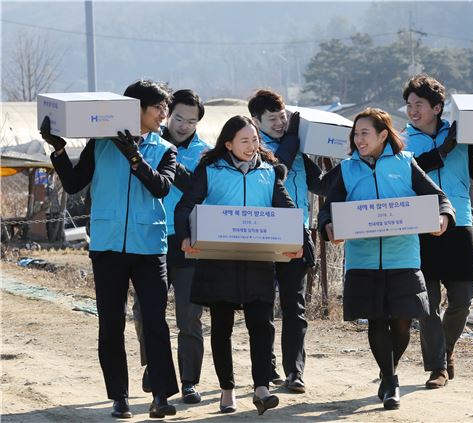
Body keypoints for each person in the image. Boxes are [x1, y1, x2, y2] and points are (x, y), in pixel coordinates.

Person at [41, 79, 179, 418]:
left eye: (165, 108)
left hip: (149, 247)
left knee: (155, 322)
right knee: (111, 323)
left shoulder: (164, 149)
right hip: (107, 247)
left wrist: (135, 157)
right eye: (158, 108)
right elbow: (74, 183)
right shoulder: (100, 143)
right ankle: (119, 396)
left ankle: (161, 395)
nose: (164, 114)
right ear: (137, 109)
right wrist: (58, 150)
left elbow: (161, 188)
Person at [318, 108, 455, 410]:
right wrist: (328, 225)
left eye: (364, 133)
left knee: (403, 322)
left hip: (402, 256)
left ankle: (386, 373)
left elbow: (439, 197)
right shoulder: (347, 169)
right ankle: (390, 379)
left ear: (383, 135)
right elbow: (329, 208)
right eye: (355, 134)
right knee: (378, 320)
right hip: (363, 259)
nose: (358, 139)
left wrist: (444, 215)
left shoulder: (406, 164)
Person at [174, 115, 301, 415]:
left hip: (258, 261)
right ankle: (227, 390)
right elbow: (186, 205)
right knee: (221, 329)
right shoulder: (211, 169)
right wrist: (185, 236)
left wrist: (296, 240)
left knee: (262, 326)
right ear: (228, 144)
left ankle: (261, 388)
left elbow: (286, 208)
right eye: (244, 141)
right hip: (219, 260)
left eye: (255, 140)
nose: (252, 146)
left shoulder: (269, 172)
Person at [401, 73, 473, 388]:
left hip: (460, 222)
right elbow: (407, 174)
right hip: (421, 224)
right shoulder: (403, 142)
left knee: (463, 298)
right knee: (429, 301)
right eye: (409, 104)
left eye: (419, 104)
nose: (413, 110)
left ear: (438, 107)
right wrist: (442, 150)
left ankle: (447, 349)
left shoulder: (462, 137)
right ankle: (437, 368)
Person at [132, 89, 210, 404]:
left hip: (188, 239)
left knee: (189, 317)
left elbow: (205, 191)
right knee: (143, 311)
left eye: (191, 121)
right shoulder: (146, 143)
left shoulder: (207, 153)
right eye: (178, 117)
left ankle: (190, 380)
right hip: (150, 237)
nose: (182, 125)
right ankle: (154, 365)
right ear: (166, 113)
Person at [248, 89, 329, 393]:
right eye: (273, 119)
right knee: (263, 304)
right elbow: (276, 171)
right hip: (264, 232)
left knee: (295, 305)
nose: (281, 123)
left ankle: (295, 371)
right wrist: (292, 140)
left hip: (299, 230)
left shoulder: (297, 147)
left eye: (283, 117)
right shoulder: (254, 147)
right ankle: (267, 368)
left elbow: (319, 185)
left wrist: (339, 163)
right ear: (256, 121)